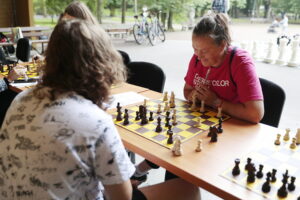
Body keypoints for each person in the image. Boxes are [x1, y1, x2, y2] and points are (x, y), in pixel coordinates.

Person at [0, 19, 199, 200]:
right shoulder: (94, 121)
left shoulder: (20, 99)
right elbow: (123, 197)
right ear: (101, 63)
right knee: (187, 189)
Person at [184, 13, 264, 123]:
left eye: (204, 51)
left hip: (233, 127)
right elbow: (187, 90)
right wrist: (193, 95)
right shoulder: (197, 58)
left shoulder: (240, 62)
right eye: (195, 49)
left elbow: (255, 114)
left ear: (222, 45)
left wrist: (215, 102)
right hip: (203, 121)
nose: (199, 55)